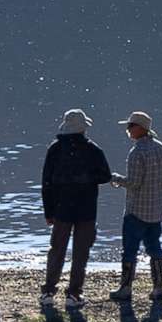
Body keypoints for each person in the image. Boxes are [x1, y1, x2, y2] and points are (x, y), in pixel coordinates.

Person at [39, 110, 112, 306]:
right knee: (81, 253)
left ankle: (48, 292)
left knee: (57, 250)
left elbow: (46, 182)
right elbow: (106, 176)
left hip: (61, 209)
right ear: (83, 128)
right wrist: (87, 178)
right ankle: (73, 294)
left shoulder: (55, 149)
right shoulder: (93, 150)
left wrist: (49, 211)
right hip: (86, 209)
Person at [108, 110, 162, 304]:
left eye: (130, 126)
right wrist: (158, 193)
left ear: (140, 129)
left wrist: (115, 179)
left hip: (136, 211)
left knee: (129, 250)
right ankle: (158, 288)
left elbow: (134, 183)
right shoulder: (161, 148)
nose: (128, 130)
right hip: (156, 211)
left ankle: (126, 288)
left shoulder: (137, 153)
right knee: (155, 248)